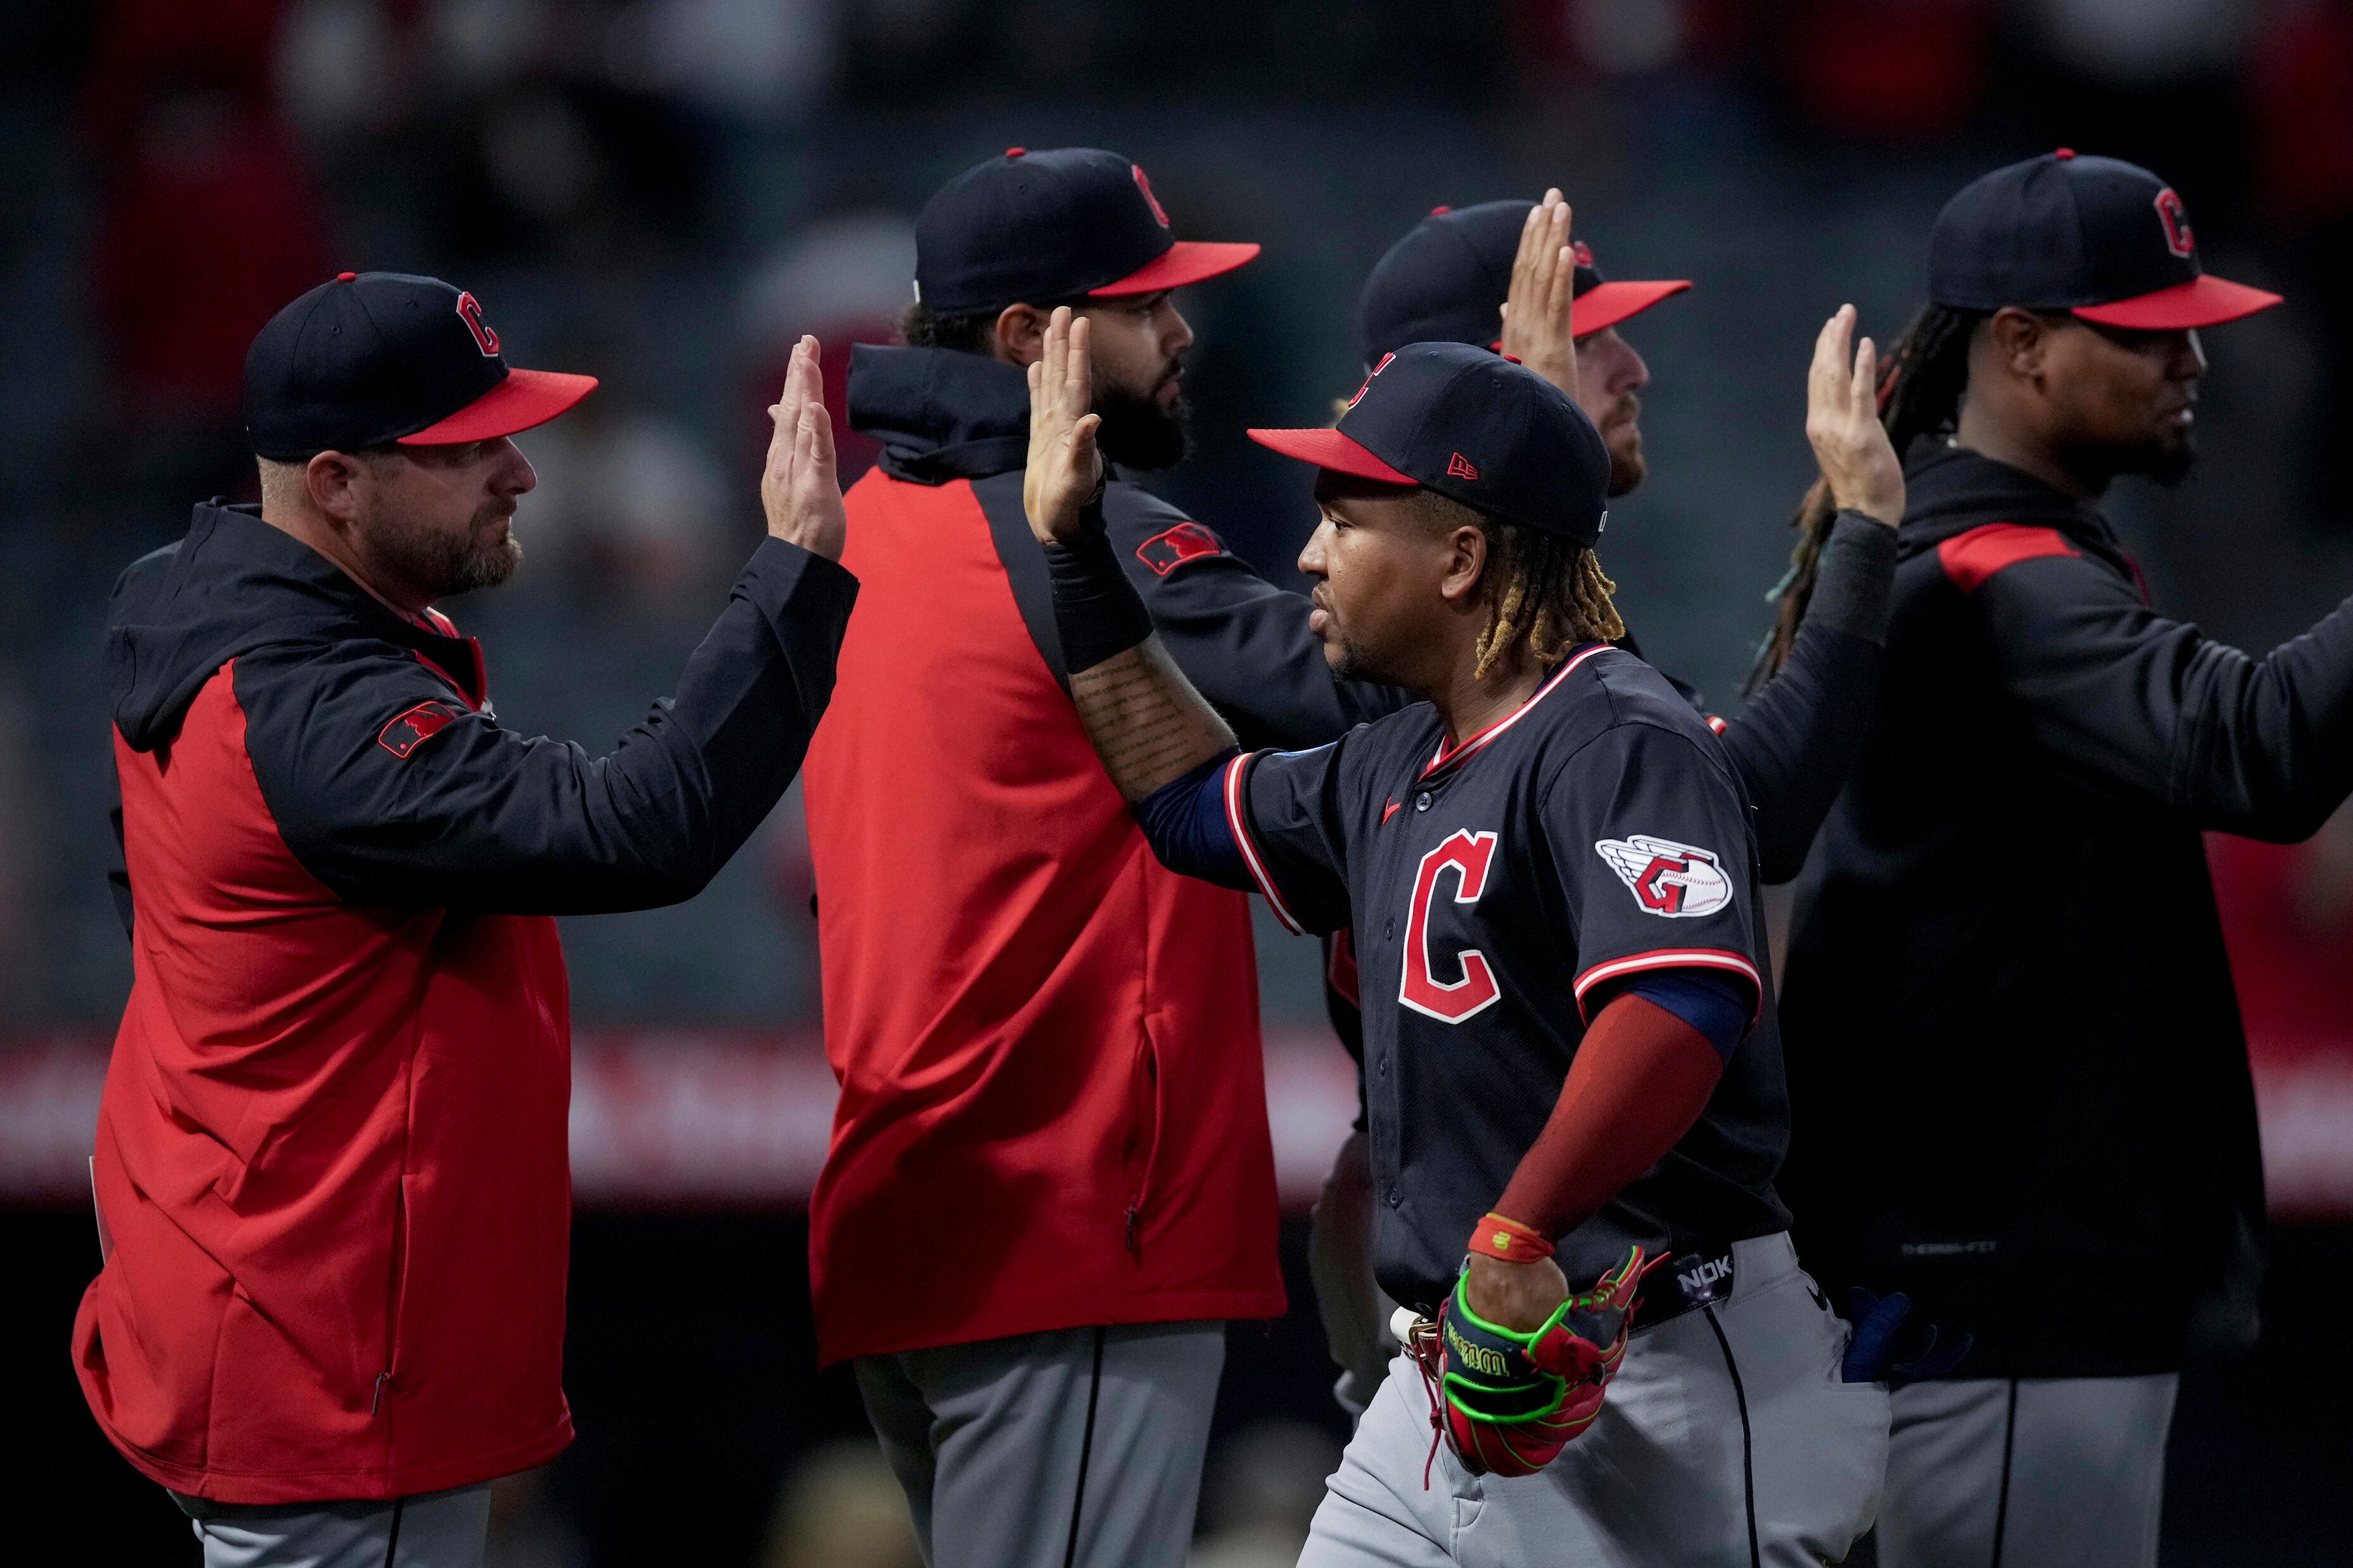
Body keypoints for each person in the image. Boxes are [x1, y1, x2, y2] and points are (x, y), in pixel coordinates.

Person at [1018, 301, 1897, 1564]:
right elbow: (1185, 806)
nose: (1308, 558)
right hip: (1452, 1365)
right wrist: (1074, 558)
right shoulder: (1394, 758)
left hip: (1673, 1377)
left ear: (1461, 558)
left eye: (1344, 522)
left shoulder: (1618, 737)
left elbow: (1679, 1007)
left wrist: (1518, 1225)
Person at [79, 270, 856, 1568]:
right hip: (327, 1352)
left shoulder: (207, 600)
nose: (522, 472)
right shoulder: (309, 702)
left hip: (254, 1289)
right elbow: (635, 827)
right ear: (337, 482)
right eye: (466, 449)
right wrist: (793, 576)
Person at [800, 146, 1413, 1568]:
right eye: (1145, 306)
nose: (1184, 332)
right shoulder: (1081, 541)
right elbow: (1401, 694)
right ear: (1032, 337)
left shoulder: (845, 533)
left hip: (912, 1214)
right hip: (1069, 1212)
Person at [1766, 150, 2352, 1568]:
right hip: (2004, 1280)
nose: (2191, 358)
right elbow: (2258, 750)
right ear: (2022, 345)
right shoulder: (1990, 568)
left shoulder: (1960, 546)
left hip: (1975, 1270)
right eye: (2146, 332)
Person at [1307, 195, 1906, 1417]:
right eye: (1584, 338)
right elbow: (1756, 804)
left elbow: (1733, 795)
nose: (1631, 367)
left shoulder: (1527, 653)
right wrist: (1859, 538)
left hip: (1509, 1239)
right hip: (1485, 1248)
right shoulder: (1381, 632)